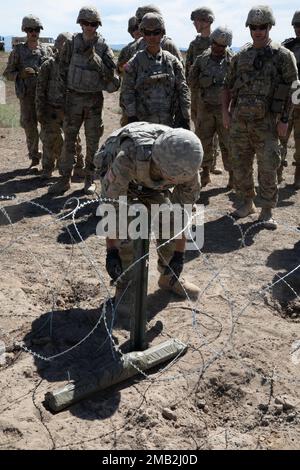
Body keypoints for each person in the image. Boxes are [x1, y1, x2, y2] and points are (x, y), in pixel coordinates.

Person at [94, 122, 203, 310]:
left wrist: (179, 255)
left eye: (175, 179)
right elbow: (111, 208)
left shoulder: (188, 168)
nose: (173, 181)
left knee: (169, 221)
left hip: (151, 184)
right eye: (169, 176)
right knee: (128, 228)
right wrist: (111, 251)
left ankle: (169, 278)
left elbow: (183, 215)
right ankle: (125, 285)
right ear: (158, 162)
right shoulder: (128, 157)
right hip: (124, 179)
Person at [222, 5, 298, 229]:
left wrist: (285, 119)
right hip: (239, 121)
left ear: (270, 27)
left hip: (267, 122)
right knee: (240, 164)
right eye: (254, 27)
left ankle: (266, 210)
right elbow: (227, 87)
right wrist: (225, 112)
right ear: (249, 28)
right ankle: (246, 203)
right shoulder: (241, 56)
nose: (258, 31)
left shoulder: (283, 55)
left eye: (262, 27)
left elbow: (294, 88)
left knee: (268, 166)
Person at [48, 6, 120, 196]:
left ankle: (89, 179)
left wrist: (94, 58)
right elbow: (62, 72)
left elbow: (111, 77)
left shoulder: (103, 46)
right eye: (86, 23)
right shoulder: (71, 44)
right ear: (80, 24)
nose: (89, 27)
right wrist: (62, 101)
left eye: (93, 24)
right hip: (73, 99)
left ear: (98, 25)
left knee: (93, 142)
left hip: (94, 100)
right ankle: (64, 179)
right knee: (69, 141)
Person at [121, 13, 190, 128]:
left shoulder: (172, 62)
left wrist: (185, 116)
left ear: (162, 33)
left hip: (169, 123)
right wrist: (131, 117)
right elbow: (127, 91)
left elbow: (183, 89)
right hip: (142, 125)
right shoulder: (135, 63)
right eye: (148, 33)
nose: (152, 37)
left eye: (156, 32)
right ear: (142, 34)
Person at [3, 15, 52, 168]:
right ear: (25, 31)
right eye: (30, 30)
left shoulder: (47, 50)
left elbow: (53, 72)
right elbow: (7, 74)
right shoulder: (18, 51)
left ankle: (50, 159)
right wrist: (20, 74)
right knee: (30, 127)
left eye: (36, 29)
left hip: (44, 97)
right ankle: (35, 157)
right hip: (26, 97)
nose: (33, 33)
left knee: (48, 127)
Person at [188, 26, 234, 188]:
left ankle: (232, 177)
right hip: (205, 108)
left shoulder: (232, 61)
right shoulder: (202, 59)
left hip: (225, 110)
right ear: (211, 41)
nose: (217, 48)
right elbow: (191, 81)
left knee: (229, 144)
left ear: (227, 46)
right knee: (203, 142)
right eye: (215, 44)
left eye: (222, 46)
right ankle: (205, 173)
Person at [36, 33, 84, 178]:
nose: (63, 47)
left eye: (66, 44)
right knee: (48, 140)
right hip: (51, 110)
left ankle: (78, 166)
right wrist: (40, 111)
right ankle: (48, 168)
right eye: (61, 43)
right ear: (56, 45)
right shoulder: (48, 65)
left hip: (69, 110)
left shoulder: (74, 66)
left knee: (74, 141)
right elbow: (40, 90)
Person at [280, 11, 300, 189]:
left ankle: (298, 177)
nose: (298, 29)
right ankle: (277, 174)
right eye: (296, 25)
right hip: (287, 102)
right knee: (280, 139)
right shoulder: (287, 47)